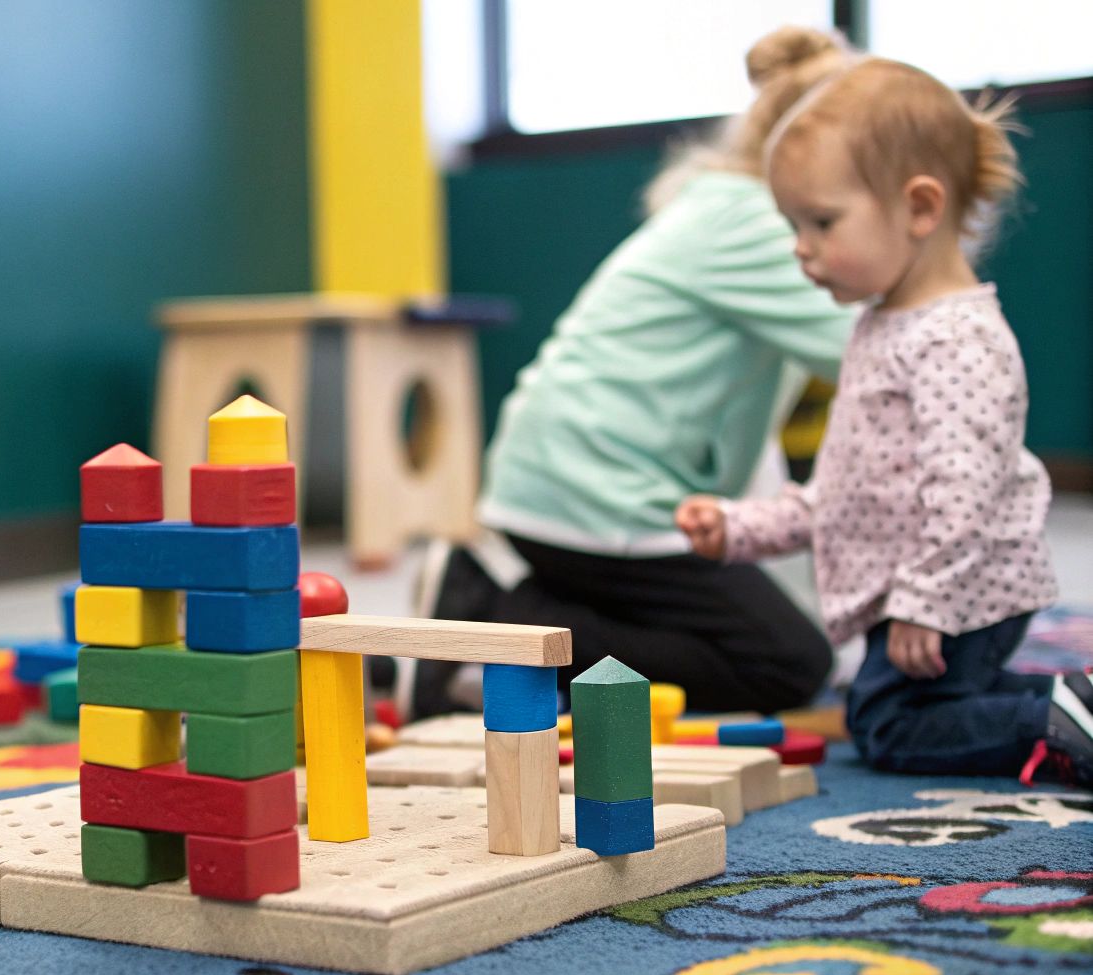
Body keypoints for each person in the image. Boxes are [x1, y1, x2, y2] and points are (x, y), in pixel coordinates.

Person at [407, 27, 856, 720]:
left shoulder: (722, 207)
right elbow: (877, 353)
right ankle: (494, 624)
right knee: (785, 661)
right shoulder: (760, 225)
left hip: (566, 480)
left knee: (741, 619)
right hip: (597, 495)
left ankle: (500, 604)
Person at [674, 57, 1093, 787]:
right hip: (926, 587)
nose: (799, 246)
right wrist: (741, 529)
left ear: (921, 208)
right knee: (905, 704)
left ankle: (1048, 725)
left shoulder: (955, 339)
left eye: (821, 221)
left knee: (889, 725)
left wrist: (927, 604)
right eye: (792, 224)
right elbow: (848, 488)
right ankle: (1064, 701)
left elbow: (966, 496)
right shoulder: (883, 326)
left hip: (964, 591)